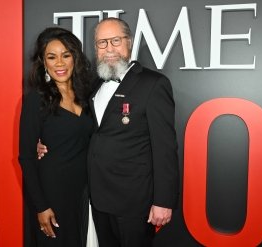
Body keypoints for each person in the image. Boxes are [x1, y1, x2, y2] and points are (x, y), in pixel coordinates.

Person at [38, 17, 180, 247]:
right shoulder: (93, 84)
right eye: (102, 43)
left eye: (115, 40)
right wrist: (40, 140)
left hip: (134, 203)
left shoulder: (153, 84)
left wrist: (164, 201)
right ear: (96, 48)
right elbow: (78, 127)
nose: (109, 48)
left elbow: (165, 148)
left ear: (129, 42)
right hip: (98, 199)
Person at [18, 27, 93, 247]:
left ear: (75, 58)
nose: (59, 63)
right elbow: (27, 158)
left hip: (86, 193)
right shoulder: (36, 100)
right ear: (43, 62)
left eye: (66, 55)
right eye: (52, 57)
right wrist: (41, 206)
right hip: (52, 193)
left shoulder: (89, 95)